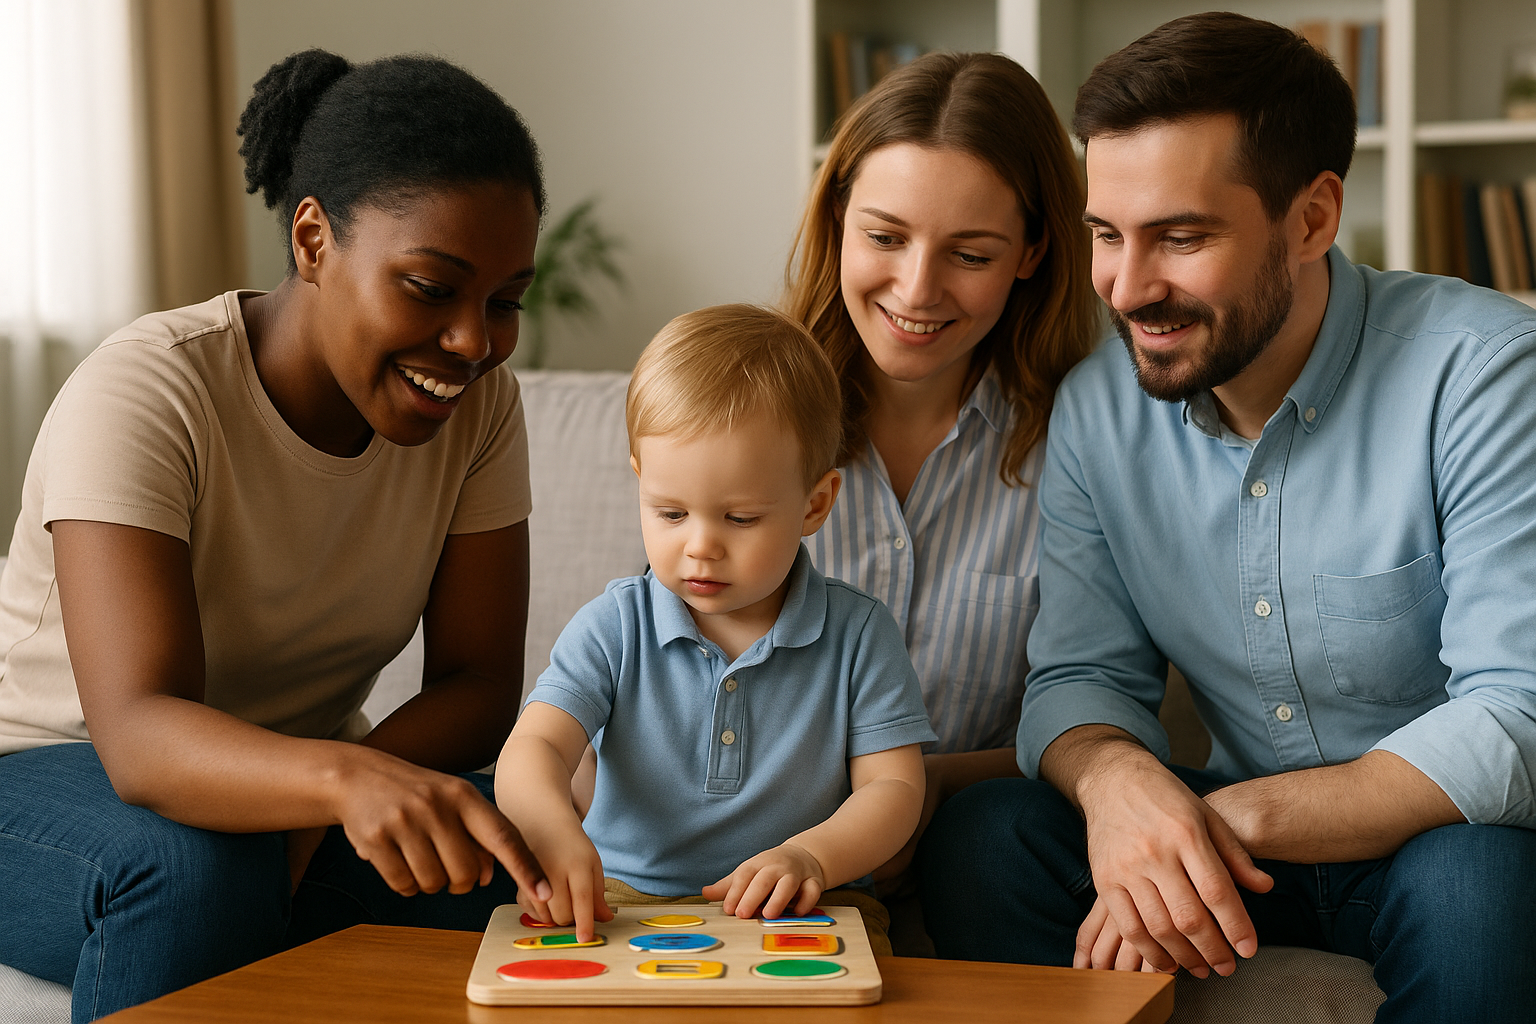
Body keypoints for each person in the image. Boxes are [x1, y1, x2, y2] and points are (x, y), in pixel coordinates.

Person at [919, 13, 1536, 1022]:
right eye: (1108, 235)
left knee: (1481, 885)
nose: (1126, 286)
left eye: (1182, 236)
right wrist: (1119, 786)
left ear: (1310, 219)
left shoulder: (1485, 375)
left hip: (1435, 848)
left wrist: (1211, 820)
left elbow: (1518, 709)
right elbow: (1079, 678)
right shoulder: (1097, 410)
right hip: (1249, 874)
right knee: (989, 835)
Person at [0, 50, 554, 1021]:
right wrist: (338, 781)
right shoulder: (148, 391)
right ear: (312, 239)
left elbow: (477, 682)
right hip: (42, 775)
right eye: (432, 287)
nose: (475, 342)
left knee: (510, 853)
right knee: (192, 864)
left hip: (274, 783)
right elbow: (136, 735)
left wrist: (342, 795)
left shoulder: (479, 409)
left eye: (504, 301)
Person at [495, 304, 936, 955]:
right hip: (620, 899)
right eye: (670, 512)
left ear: (815, 504)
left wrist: (811, 857)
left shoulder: (860, 634)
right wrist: (554, 827)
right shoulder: (614, 625)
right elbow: (533, 750)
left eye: (740, 518)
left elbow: (895, 788)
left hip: (805, 902)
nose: (700, 547)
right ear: (640, 482)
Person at [782, 51, 1099, 880]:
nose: (917, 291)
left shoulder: (1086, 445)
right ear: (839, 219)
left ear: (1031, 252)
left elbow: (1095, 720)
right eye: (885, 237)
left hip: (977, 854)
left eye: (970, 254)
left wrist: (889, 801)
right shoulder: (750, 411)